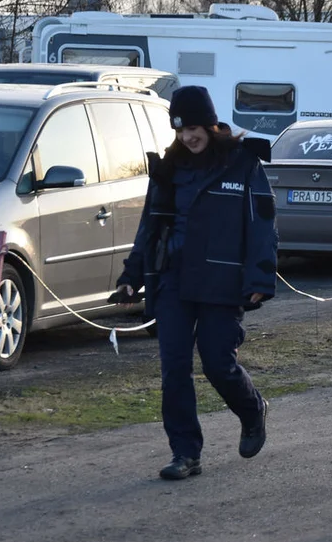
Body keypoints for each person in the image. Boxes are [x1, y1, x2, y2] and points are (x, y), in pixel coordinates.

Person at [114, 85, 278, 481]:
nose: (189, 137)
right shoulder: (168, 169)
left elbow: (263, 225)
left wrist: (260, 275)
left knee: (218, 363)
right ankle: (185, 452)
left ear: (210, 123)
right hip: (174, 279)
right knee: (173, 368)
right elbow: (149, 227)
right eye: (181, 130)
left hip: (222, 280)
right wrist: (131, 275)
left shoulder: (243, 163)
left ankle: (253, 409)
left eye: (194, 128)